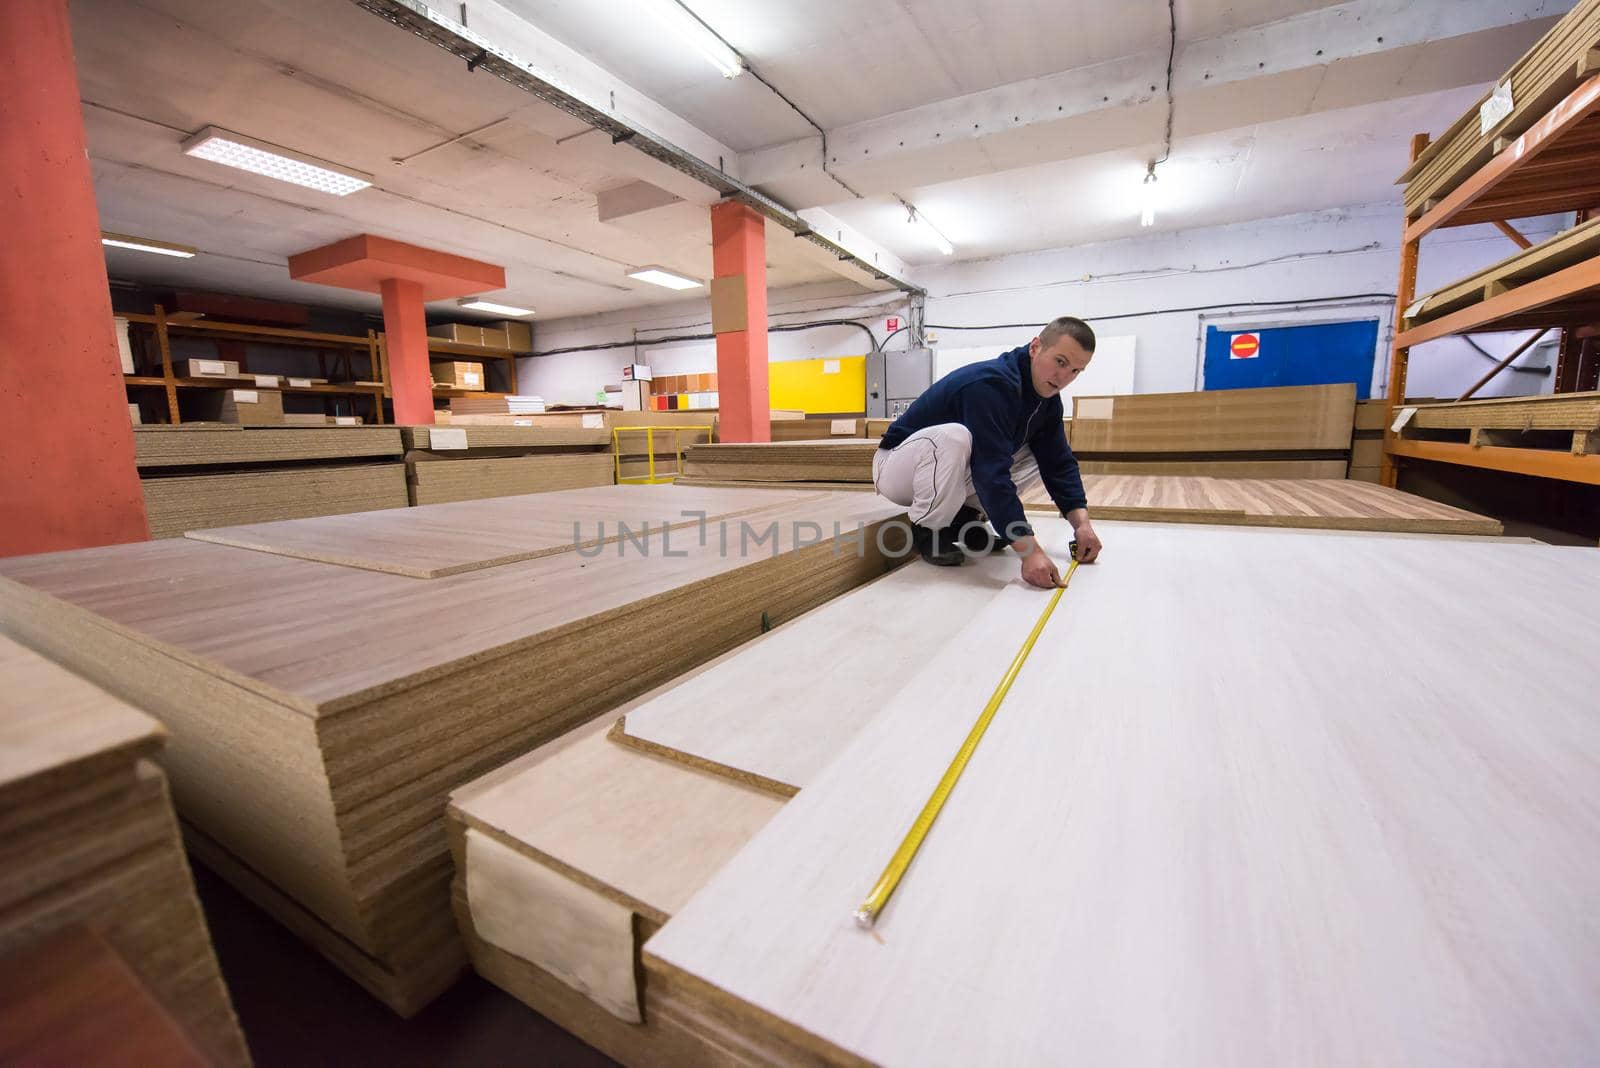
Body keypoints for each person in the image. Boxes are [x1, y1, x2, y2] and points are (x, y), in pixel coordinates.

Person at [873, 316, 1102, 589]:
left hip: (942, 472)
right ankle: (927, 530)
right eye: (1060, 362)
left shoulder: (1047, 402)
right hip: (897, 469)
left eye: (1076, 371)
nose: (1064, 377)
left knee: (1036, 455)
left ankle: (964, 522)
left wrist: (1082, 525)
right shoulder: (991, 386)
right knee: (954, 437)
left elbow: (1059, 464)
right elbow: (990, 473)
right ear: (1035, 347)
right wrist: (1030, 552)